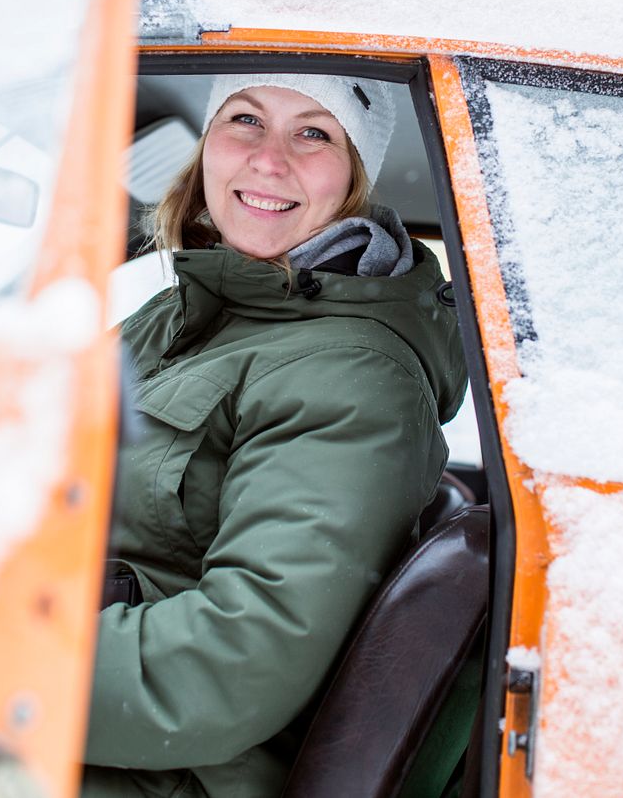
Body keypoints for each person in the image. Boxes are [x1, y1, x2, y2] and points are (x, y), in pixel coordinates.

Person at [82, 73, 467, 798]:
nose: (267, 158)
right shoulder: (185, 313)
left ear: (356, 175)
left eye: (314, 132)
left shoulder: (351, 373)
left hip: (157, 771)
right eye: (245, 119)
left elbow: (231, 667)